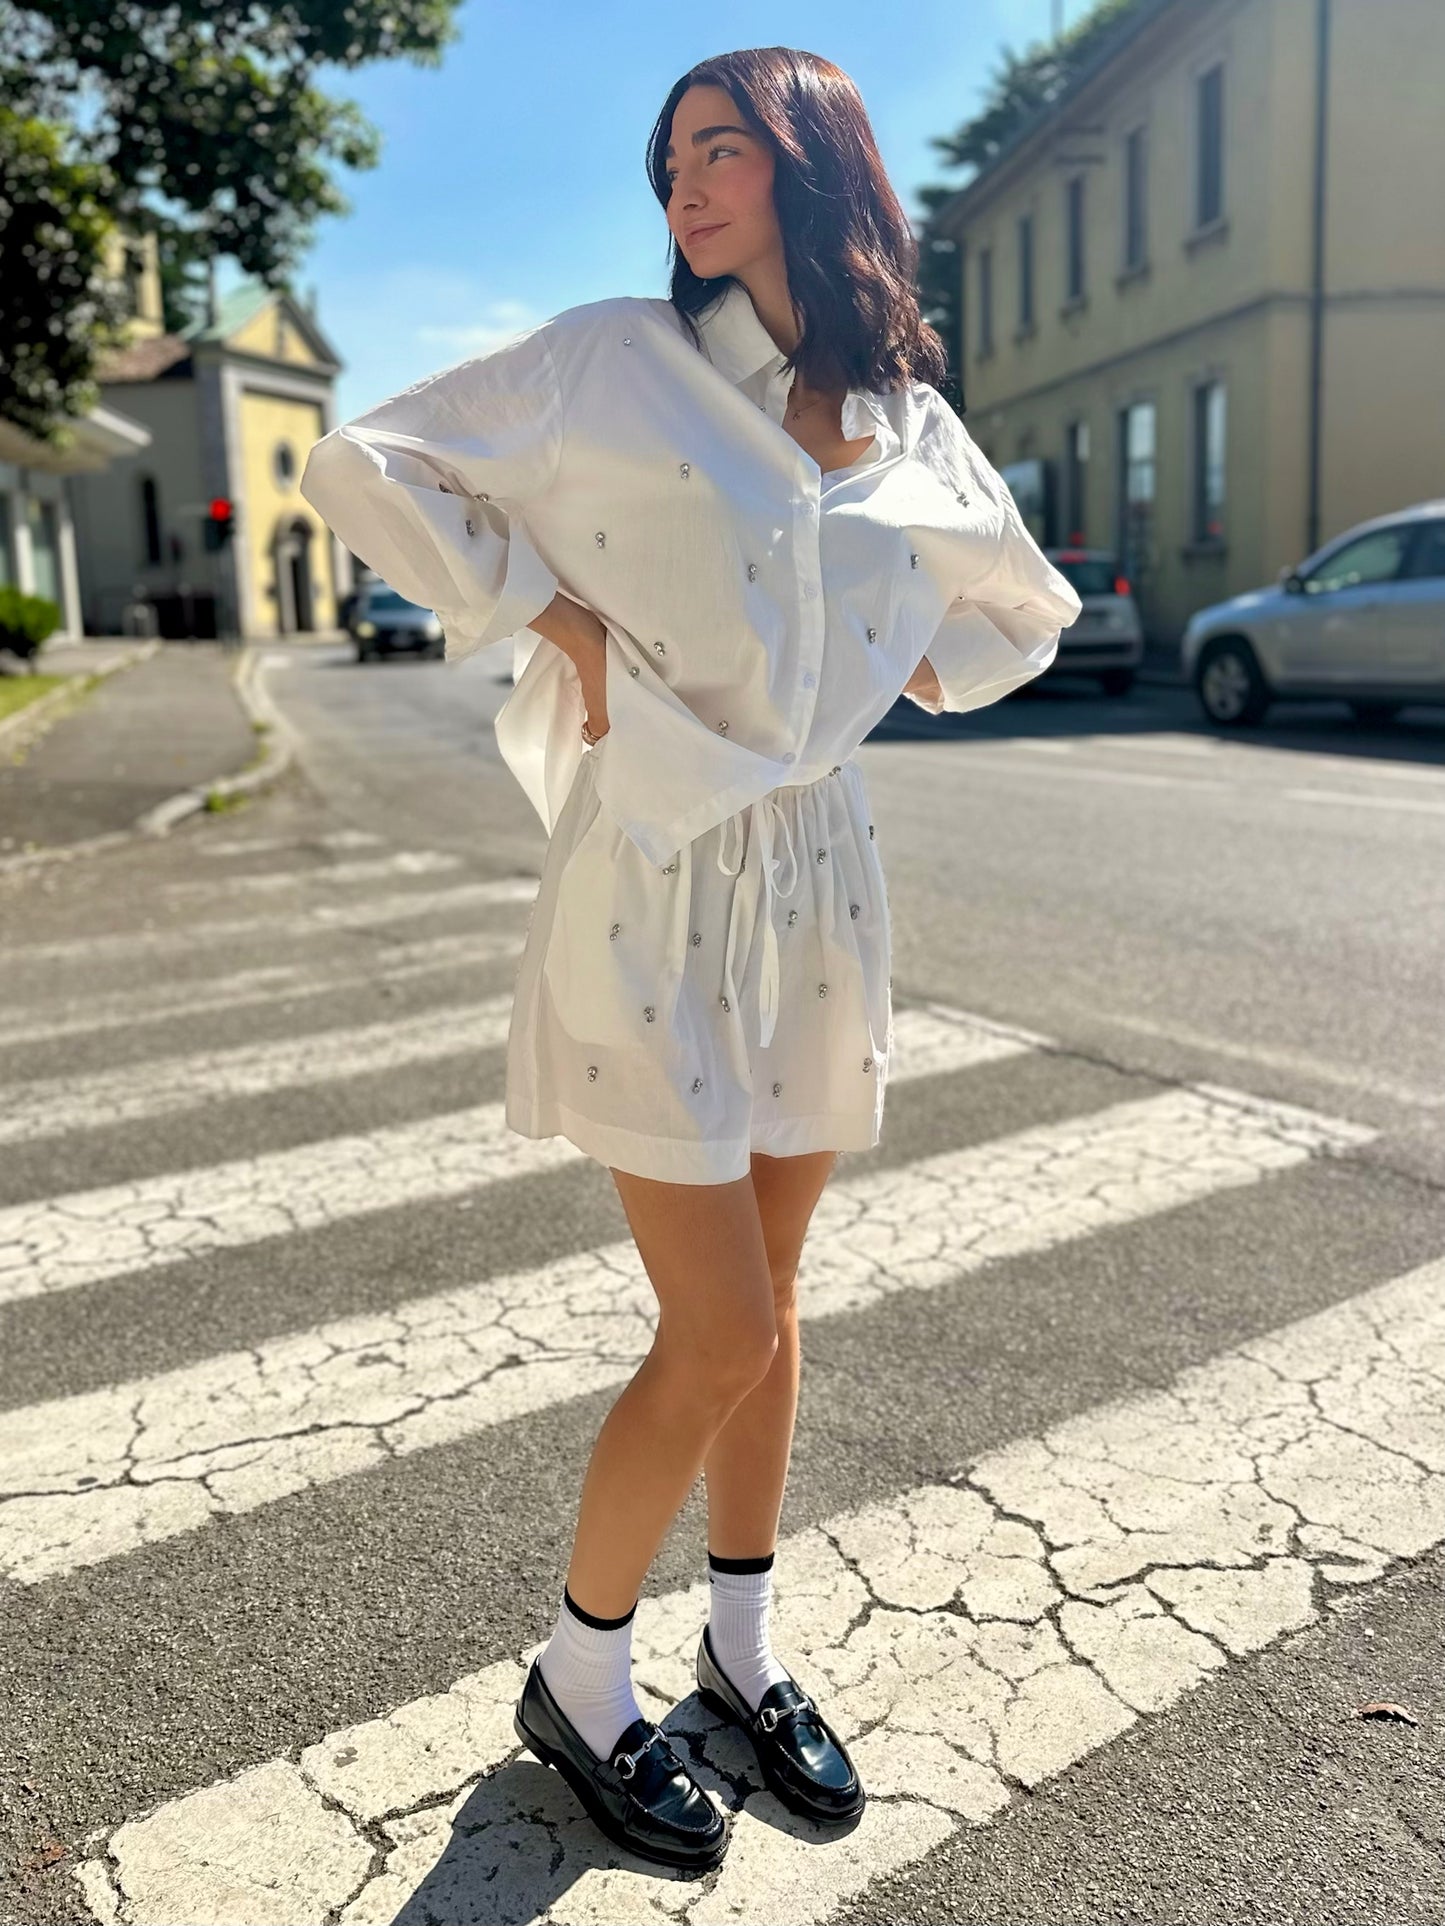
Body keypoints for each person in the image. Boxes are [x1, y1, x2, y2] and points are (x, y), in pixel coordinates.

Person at [300, 45, 1080, 1874]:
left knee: (774, 1308)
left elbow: (1022, 612)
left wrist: (885, 661)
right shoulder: (611, 361)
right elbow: (366, 461)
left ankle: (741, 1646)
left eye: (722, 149)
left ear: (817, 168)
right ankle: (579, 1676)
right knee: (718, 1325)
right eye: (670, 160)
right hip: (652, 870)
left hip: (816, 878)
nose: (685, 187)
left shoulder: (908, 424)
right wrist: (545, 612)